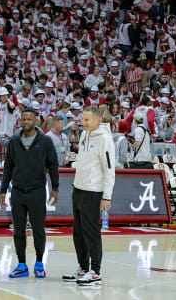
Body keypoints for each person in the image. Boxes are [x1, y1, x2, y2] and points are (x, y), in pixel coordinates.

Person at [0, 108, 60, 279]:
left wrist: (55, 188)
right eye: (23, 119)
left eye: (29, 119)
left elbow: (53, 165)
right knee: (18, 231)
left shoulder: (46, 141)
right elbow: (8, 168)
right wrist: (3, 190)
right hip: (18, 192)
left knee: (38, 230)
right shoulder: (13, 141)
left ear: (36, 121)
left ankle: (39, 263)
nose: (26, 122)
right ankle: (21, 264)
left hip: (37, 191)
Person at [63, 106, 115, 287]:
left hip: (93, 192)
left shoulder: (105, 140)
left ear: (97, 120)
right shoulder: (85, 135)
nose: (82, 123)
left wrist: (107, 196)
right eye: (82, 119)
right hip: (78, 188)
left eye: (87, 120)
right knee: (78, 232)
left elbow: (109, 169)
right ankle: (83, 268)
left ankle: (96, 271)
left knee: (91, 232)